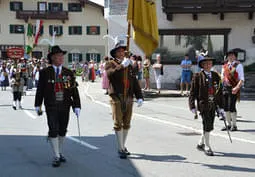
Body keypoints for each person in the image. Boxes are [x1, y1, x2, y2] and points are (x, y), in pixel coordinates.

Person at [34, 45, 81, 167]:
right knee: (53, 129)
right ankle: (56, 155)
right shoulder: (44, 73)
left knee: (62, 130)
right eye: (58, 56)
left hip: (65, 105)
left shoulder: (68, 72)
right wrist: (37, 104)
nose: (61, 58)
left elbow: (74, 90)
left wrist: (77, 105)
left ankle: (59, 152)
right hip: (51, 105)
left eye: (62, 56)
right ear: (53, 58)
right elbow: (40, 90)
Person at [105, 43, 143, 159]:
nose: (122, 53)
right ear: (115, 53)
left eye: (123, 51)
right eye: (119, 51)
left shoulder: (129, 65)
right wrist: (121, 66)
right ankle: (121, 148)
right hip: (116, 95)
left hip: (129, 96)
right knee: (118, 123)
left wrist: (140, 96)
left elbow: (134, 82)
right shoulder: (110, 63)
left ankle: (123, 145)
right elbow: (110, 74)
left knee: (127, 123)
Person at [189, 56, 224, 156]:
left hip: (213, 104)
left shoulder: (215, 75)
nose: (208, 65)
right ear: (202, 65)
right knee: (207, 124)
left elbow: (219, 92)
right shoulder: (197, 76)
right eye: (205, 64)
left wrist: (221, 107)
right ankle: (207, 146)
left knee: (209, 125)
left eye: (209, 63)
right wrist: (192, 106)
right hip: (203, 105)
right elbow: (192, 93)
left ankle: (200, 143)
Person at [221, 49, 244, 131]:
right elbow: (222, 77)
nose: (230, 57)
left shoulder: (238, 66)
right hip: (225, 88)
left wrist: (237, 87)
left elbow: (241, 79)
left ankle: (234, 125)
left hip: (233, 88)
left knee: (231, 106)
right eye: (229, 55)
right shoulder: (224, 66)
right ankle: (228, 124)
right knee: (225, 107)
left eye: (232, 55)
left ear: (235, 57)